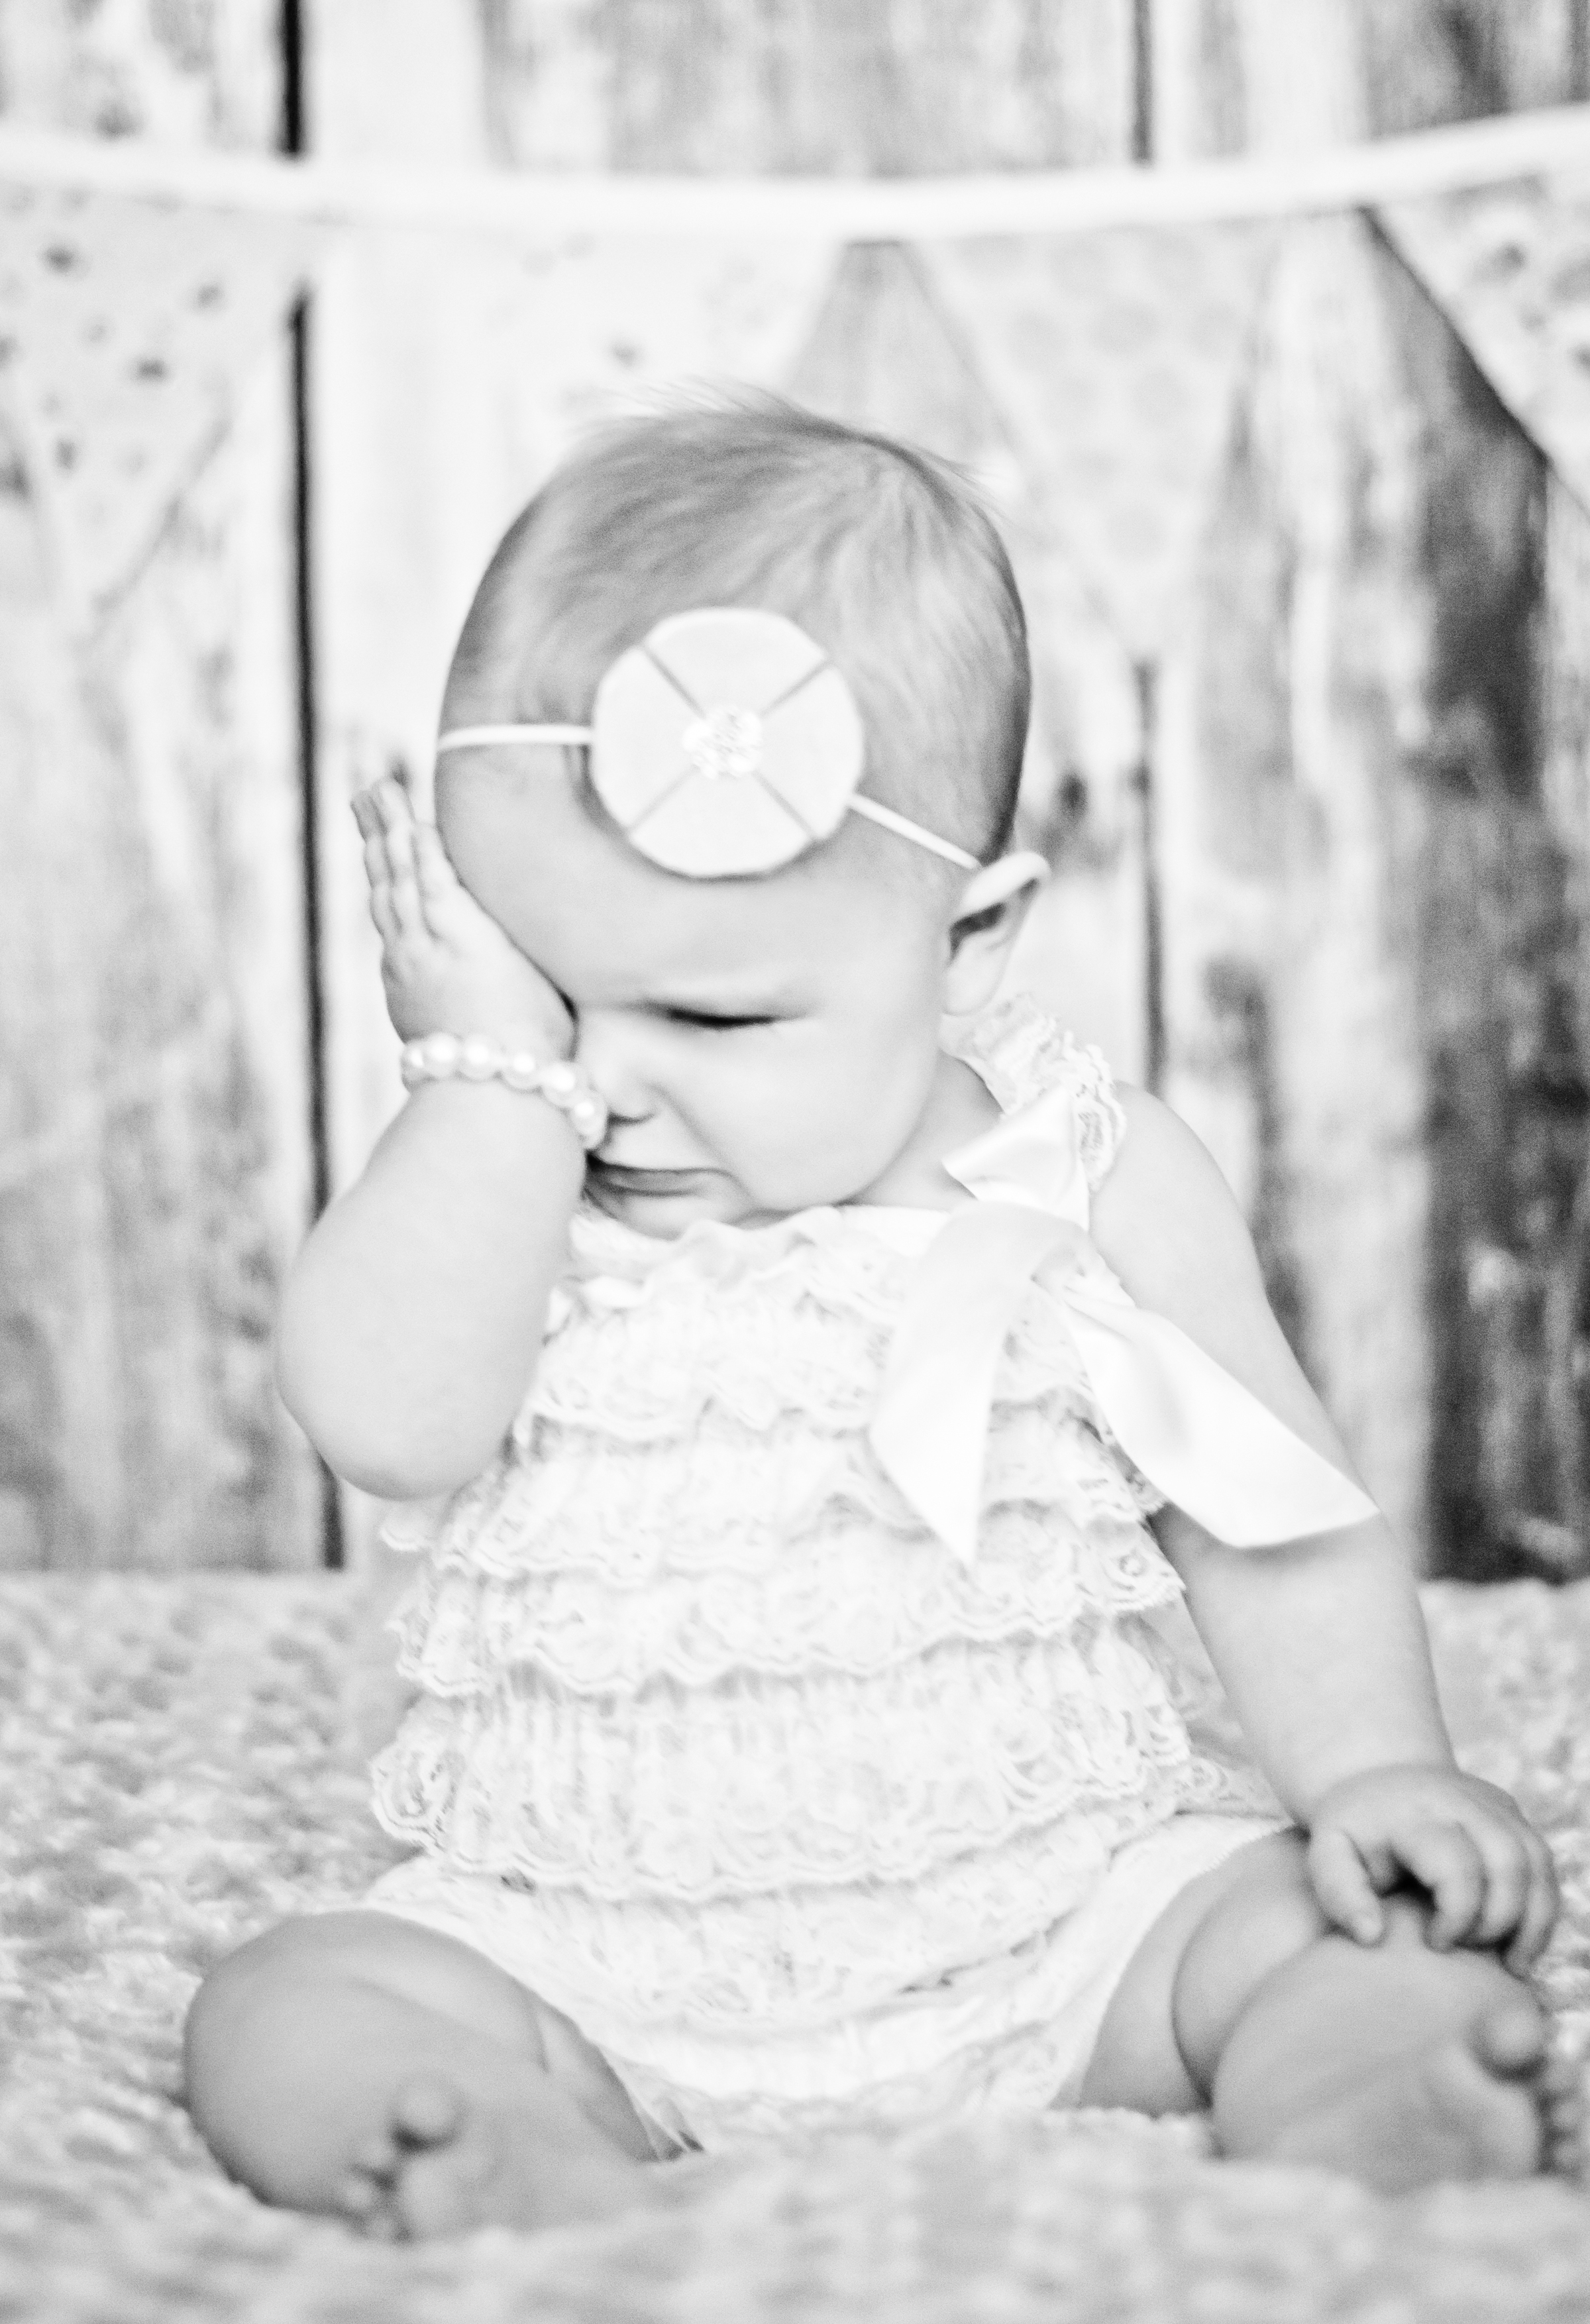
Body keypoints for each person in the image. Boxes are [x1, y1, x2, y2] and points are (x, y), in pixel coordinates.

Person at [184, 401, 1579, 2242]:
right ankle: (512, 2156)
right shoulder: (507, 1179)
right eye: (543, 996)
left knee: (1325, 1924)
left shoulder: (1077, 1167)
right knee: (283, 1998)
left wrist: (1378, 1772)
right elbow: (388, 1422)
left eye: (718, 1020)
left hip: (1063, 1925)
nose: (611, 1087)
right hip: (590, 1958)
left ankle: (1355, 2082)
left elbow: (1272, 1509)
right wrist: (477, 1086)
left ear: (968, 942)